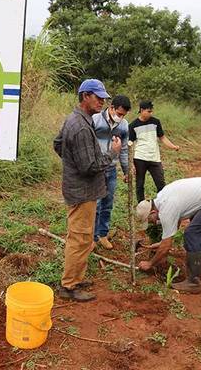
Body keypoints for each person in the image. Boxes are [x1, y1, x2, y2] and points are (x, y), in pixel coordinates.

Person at [53, 79, 122, 302]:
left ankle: (76, 279)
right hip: (82, 192)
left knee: (81, 236)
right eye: (98, 97)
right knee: (80, 239)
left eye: (103, 97)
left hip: (79, 189)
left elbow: (57, 143)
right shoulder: (82, 126)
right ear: (85, 96)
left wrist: (71, 163)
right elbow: (89, 166)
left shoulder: (75, 119)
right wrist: (112, 154)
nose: (102, 101)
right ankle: (69, 286)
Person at [135, 176, 201, 294]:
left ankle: (194, 282)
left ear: (153, 212)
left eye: (150, 220)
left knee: (193, 233)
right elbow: (175, 220)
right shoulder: (162, 197)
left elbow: (166, 247)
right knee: (198, 223)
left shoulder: (166, 210)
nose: (153, 222)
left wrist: (150, 264)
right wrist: (162, 242)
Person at [92, 95, 131, 250]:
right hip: (97, 169)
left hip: (112, 169)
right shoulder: (95, 119)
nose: (120, 117)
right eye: (119, 114)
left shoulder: (124, 125)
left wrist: (127, 171)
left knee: (108, 204)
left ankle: (103, 234)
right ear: (112, 107)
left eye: (123, 115)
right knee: (96, 204)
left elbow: (124, 150)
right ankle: (92, 238)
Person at [129, 100, 180, 203]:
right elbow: (130, 143)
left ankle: (162, 204)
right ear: (142, 110)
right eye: (148, 111)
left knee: (160, 183)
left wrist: (173, 146)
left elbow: (162, 138)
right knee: (139, 184)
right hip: (139, 158)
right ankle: (141, 205)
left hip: (154, 158)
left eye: (151, 111)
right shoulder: (133, 125)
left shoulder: (155, 122)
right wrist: (131, 163)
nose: (150, 113)